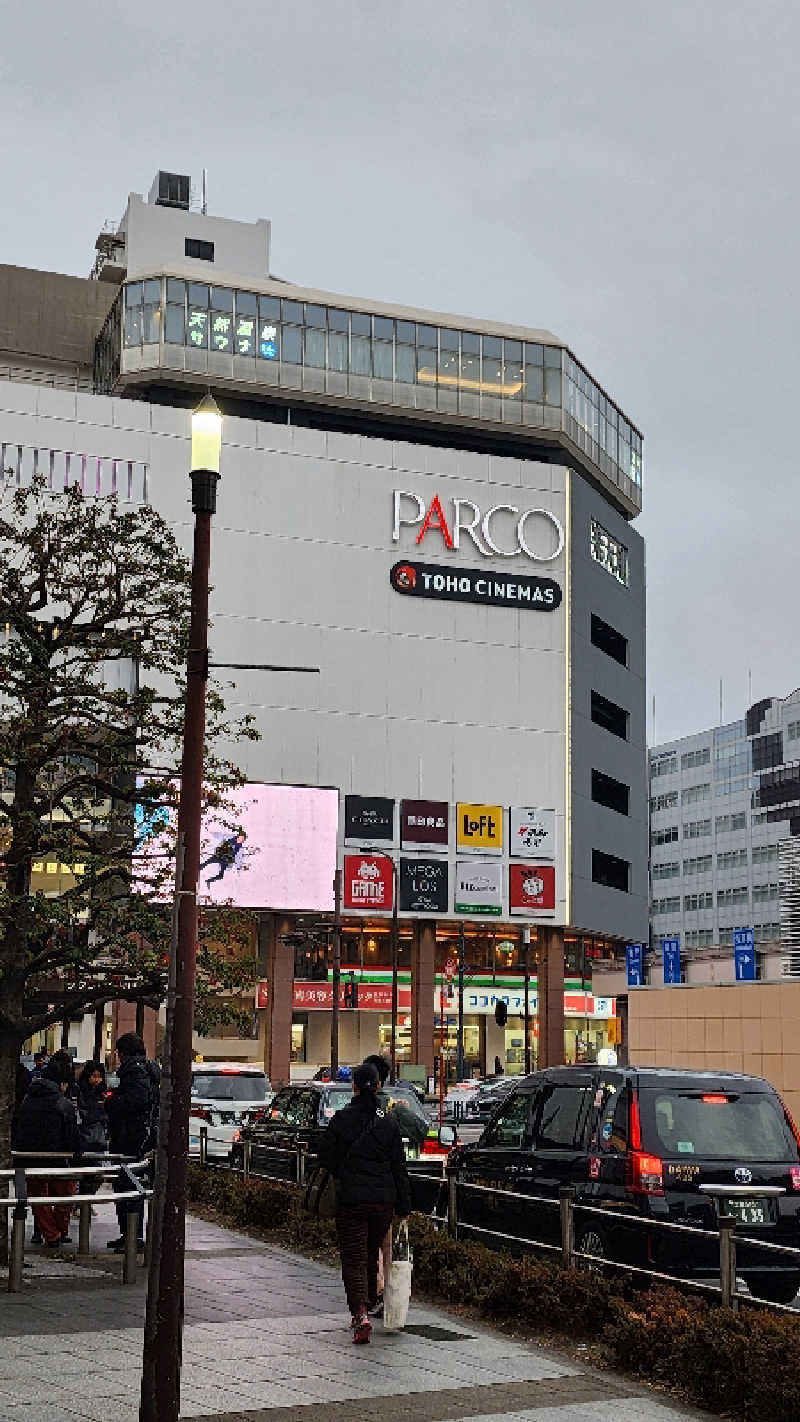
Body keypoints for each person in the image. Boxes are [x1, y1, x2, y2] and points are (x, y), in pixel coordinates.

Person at [318, 1061, 411, 1345]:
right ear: (379, 1086)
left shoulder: (341, 1120)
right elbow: (399, 1167)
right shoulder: (389, 1122)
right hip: (383, 1202)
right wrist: (404, 1206)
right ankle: (368, 1305)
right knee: (371, 1255)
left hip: (352, 1201)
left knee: (353, 1258)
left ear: (355, 1087)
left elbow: (327, 1160)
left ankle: (360, 1314)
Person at [11, 1052, 80, 1247]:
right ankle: (57, 1231)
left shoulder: (27, 1099)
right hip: (58, 1158)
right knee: (65, 1196)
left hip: (29, 1158)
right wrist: (76, 1154)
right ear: (62, 1084)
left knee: (38, 1199)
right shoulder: (62, 1103)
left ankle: (51, 1234)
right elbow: (72, 1137)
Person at [105, 1032, 159, 1252]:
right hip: (142, 1137)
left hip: (130, 1138)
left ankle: (132, 1237)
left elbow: (135, 1101)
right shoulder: (149, 1069)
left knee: (128, 1186)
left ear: (123, 1053)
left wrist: (110, 1102)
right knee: (130, 1185)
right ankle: (129, 1234)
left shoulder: (134, 1071)